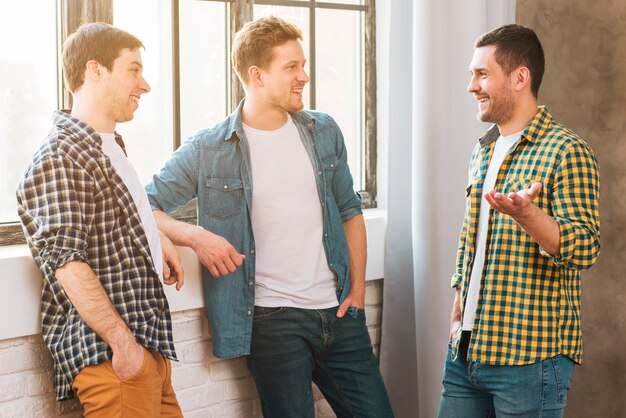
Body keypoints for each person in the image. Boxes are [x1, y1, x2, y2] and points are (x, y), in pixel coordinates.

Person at [146, 16, 394, 418]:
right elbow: (143, 204)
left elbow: (350, 211)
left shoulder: (323, 131)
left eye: (303, 65)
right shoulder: (208, 149)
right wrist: (193, 236)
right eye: (291, 68)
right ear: (256, 76)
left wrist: (358, 291)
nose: (304, 77)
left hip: (339, 313)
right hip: (272, 322)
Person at [16, 23, 184, 417]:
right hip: (115, 357)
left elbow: (114, 222)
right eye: (133, 69)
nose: (144, 85)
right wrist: (124, 347)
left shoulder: (108, 148)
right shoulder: (60, 156)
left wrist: (158, 240)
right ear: (95, 70)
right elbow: (67, 263)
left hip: (145, 350)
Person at [437, 24, 600, 417]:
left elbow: (585, 246)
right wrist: (459, 309)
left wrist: (528, 215)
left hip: (531, 359)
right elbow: (470, 240)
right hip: (467, 351)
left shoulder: (567, 151)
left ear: (519, 77)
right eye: (471, 75)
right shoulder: (483, 150)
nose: (471, 86)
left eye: (482, 74)